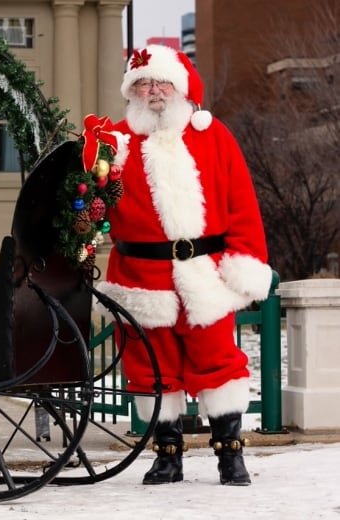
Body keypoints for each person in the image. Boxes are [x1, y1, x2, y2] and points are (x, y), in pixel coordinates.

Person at [97, 45, 272, 486]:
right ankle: (167, 456)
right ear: (131, 91)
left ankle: (230, 455)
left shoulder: (213, 135)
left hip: (204, 273)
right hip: (141, 277)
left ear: (180, 86)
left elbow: (243, 206)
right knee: (151, 368)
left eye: (161, 82)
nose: (153, 91)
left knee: (220, 363)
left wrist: (244, 262)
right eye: (143, 83)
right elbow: (92, 207)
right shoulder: (113, 144)